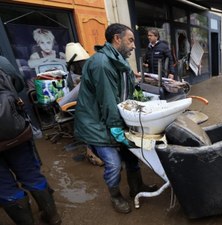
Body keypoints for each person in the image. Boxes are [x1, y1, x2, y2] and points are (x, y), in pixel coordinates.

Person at [74, 23, 157, 214]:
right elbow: (108, 101)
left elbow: (126, 89)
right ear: (117, 39)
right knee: (113, 164)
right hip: (97, 123)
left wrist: (141, 98)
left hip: (113, 118)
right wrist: (117, 128)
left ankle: (137, 187)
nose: (134, 46)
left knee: (132, 155)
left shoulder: (117, 59)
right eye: (130, 40)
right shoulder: (102, 63)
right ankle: (115, 196)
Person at [0, 56, 62, 225]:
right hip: (15, 131)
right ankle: (52, 217)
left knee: (4, 187)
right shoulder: (2, 62)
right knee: (31, 174)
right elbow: (19, 85)